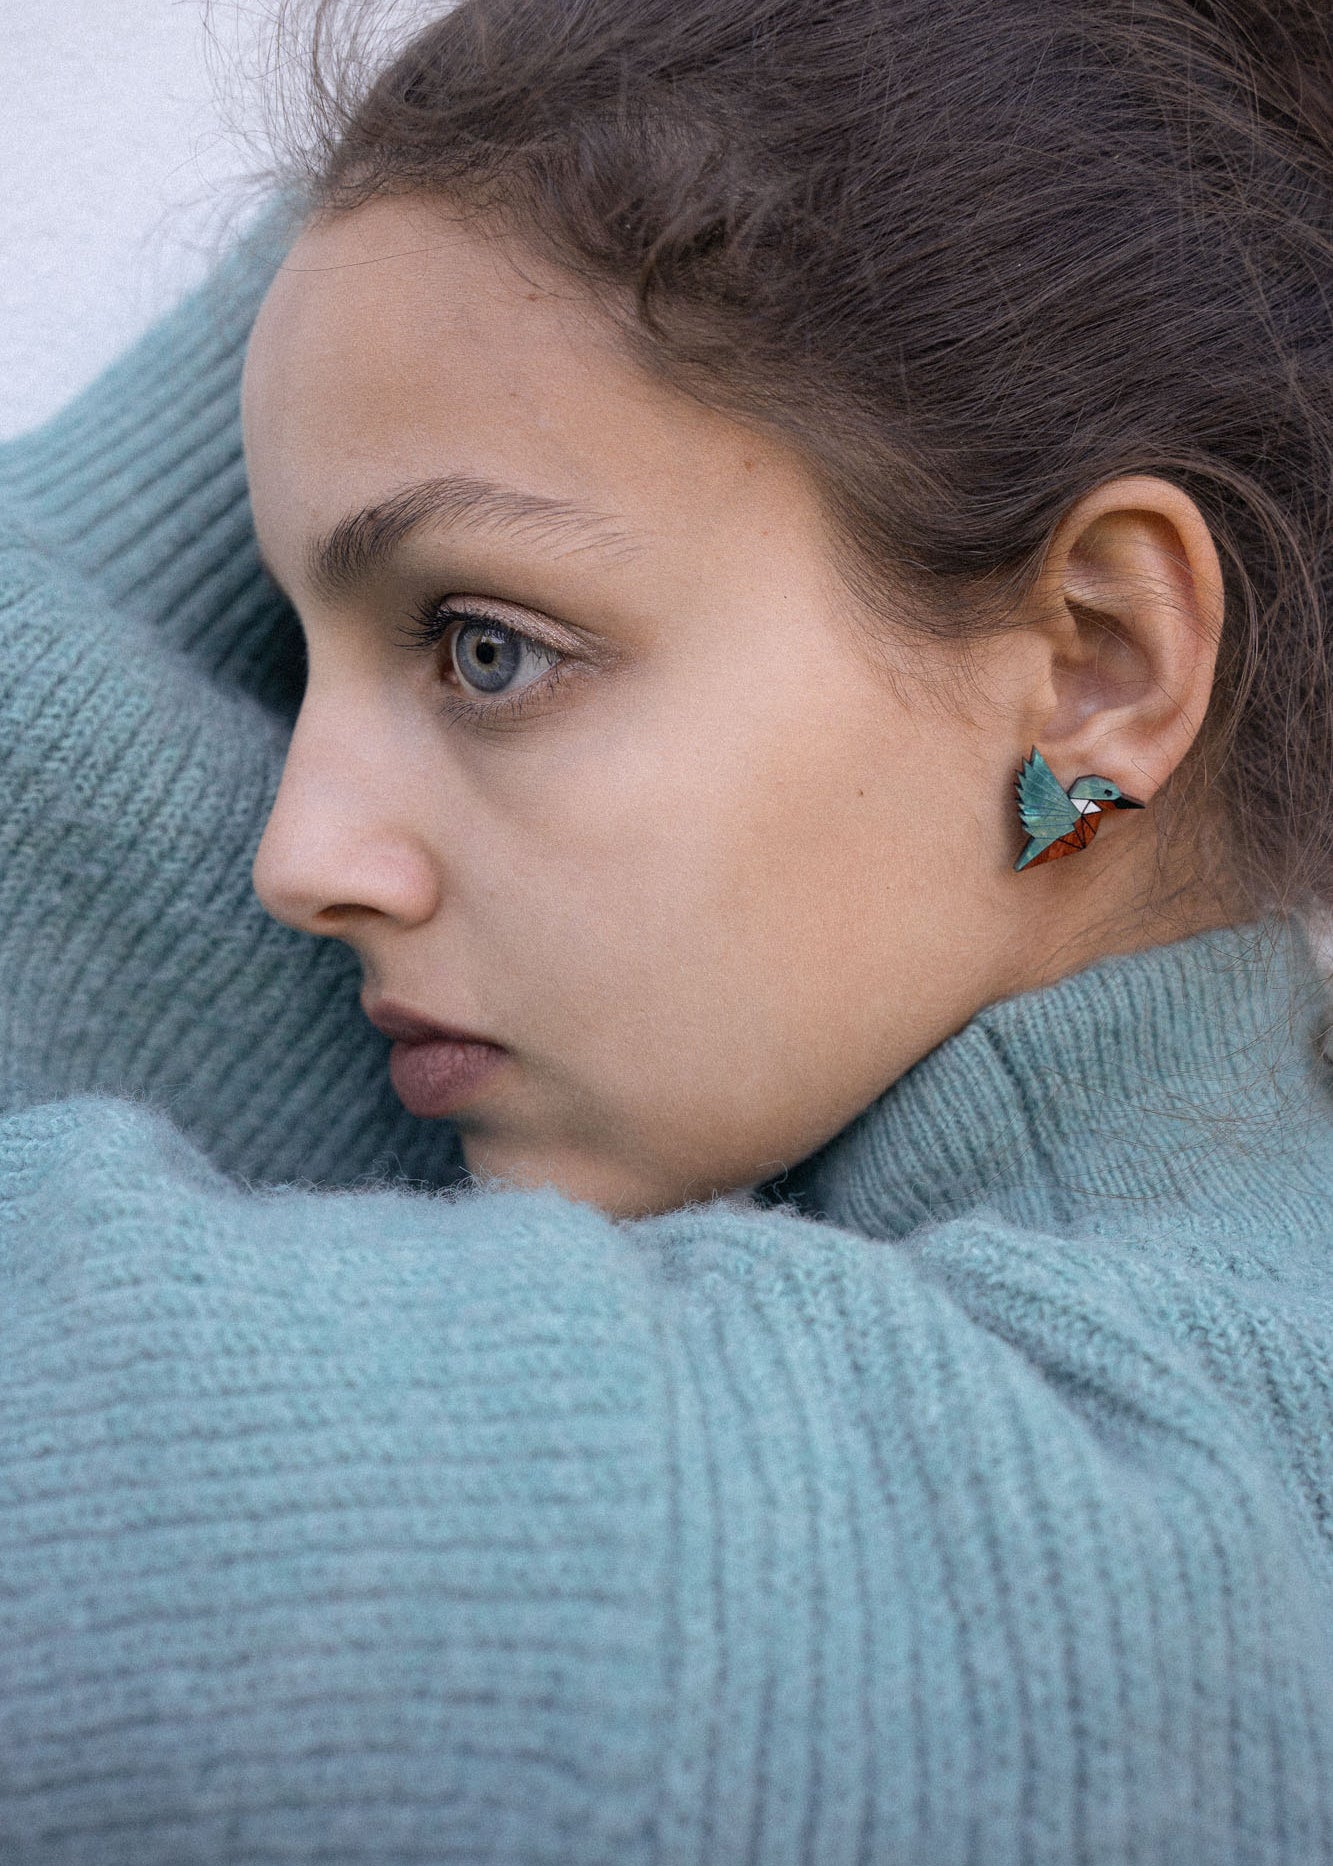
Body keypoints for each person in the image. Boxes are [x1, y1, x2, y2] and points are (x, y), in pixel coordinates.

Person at [1, 0, 1332, 1857]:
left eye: (488, 650)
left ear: (1096, 666)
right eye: (298, 651)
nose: (294, 857)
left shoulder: (1068, 1518)